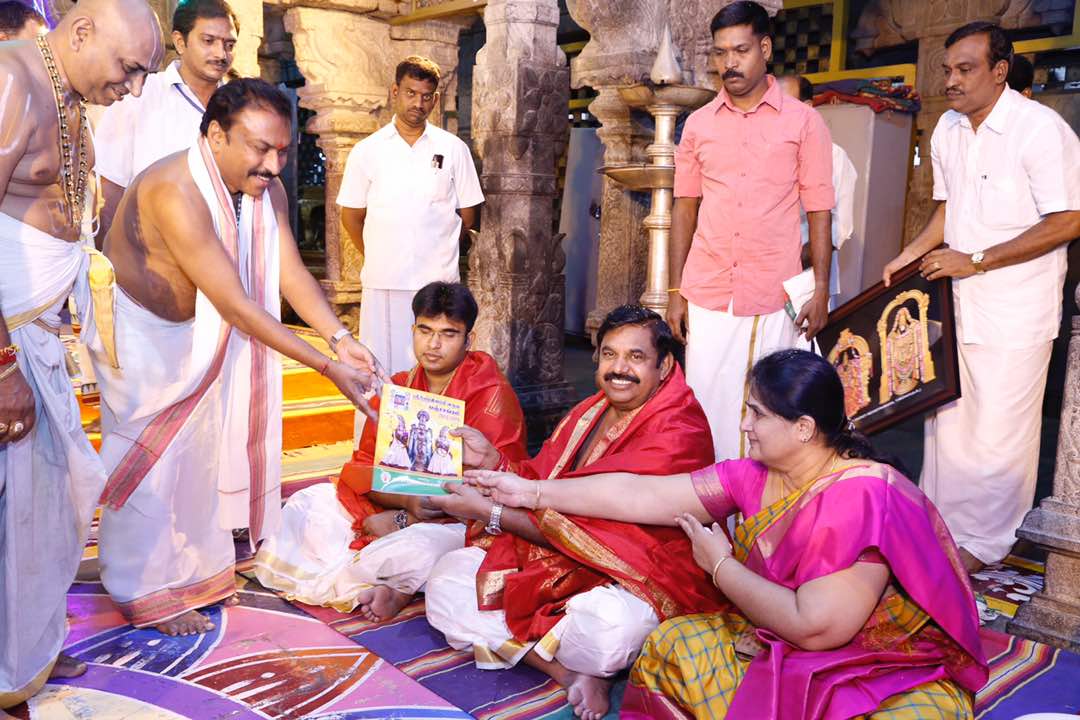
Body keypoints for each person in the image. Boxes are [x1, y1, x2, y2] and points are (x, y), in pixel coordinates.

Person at [470, 349, 990, 719]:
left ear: (803, 428)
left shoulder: (864, 495)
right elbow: (640, 494)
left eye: (757, 415)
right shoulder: (755, 475)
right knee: (671, 644)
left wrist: (720, 566)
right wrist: (532, 492)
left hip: (881, 662)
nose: (744, 426)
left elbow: (816, 630)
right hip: (777, 635)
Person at [87, 79, 383, 638]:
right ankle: (139, 586)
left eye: (283, 151)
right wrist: (327, 368)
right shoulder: (174, 188)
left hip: (201, 329)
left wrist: (339, 337)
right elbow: (237, 305)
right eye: (261, 148)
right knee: (152, 462)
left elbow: (289, 270)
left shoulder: (264, 189)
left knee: (199, 456)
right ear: (217, 136)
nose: (273, 165)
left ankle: (194, 570)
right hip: (142, 334)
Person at [423, 305, 724, 720]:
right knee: (446, 582)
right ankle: (565, 671)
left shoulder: (680, 428)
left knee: (611, 630)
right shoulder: (589, 411)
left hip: (635, 577)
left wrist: (492, 513)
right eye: (609, 354)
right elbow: (541, 481)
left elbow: (607, 528)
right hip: (556, 560)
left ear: (666, 365)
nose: (619, 369)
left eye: (636, 357)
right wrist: (494, 461)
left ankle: (564, 655)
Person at [0, 0, 163, 707]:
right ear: (83, 31)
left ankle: (25, 649)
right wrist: (2, 367)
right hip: (9, 341)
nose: (132, 87)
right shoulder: (12, 78)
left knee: (50, 502)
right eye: (129, 68)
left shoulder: (68, 95)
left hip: (39, 334)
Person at [883, 22, 1080, 572]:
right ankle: (941, 531)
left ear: (999, 71)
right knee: (947, 425)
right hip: (958, 304)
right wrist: (909, 254)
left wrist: (974, 260)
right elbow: (948, 209)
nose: (951, 80)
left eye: (965, 69)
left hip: (1016, 309)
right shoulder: (948, 128)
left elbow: (1069, 218)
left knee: (998, 435)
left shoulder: (1039, 129)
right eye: (947, 69)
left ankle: (987, 545)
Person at [253, 281, 527, 620]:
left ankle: (390, 584)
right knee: (307, 504)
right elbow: (364, 465)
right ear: (413, 331)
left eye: (448, 334)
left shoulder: (491, 393)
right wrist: (404, 503)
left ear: (468, 340)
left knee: (418, 548)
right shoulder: (399, 386)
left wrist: (408, 518)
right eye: (425, 331)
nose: (434, 344)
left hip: (456, 521)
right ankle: (389, 582)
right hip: (397, 503)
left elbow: (499, 489)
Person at [667, 2, 835, 462]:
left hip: (770, 293)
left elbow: (820, 210)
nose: (729, 63)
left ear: (765, 49)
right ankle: (710, 499)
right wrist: (676, 290)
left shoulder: (803, 122)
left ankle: (755, 503)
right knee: (704, 407)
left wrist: (821, 289)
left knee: (765, 414)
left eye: (740, 50)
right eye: (721, 52)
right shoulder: (698, 124)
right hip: (707, 290)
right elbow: (685, 207)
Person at [338, 55, 484, 377]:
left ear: (435, 98)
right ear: (395, 92)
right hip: (383, 281)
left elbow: (469, 215)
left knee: (436, 367)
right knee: (380, 369)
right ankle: (379, 414)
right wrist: (376, 254)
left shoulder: (453, 149)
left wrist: (440, 249)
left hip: (438, 283)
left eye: (427, 96)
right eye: (411, 93)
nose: (418, 103)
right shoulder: (367, 151)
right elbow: (351, 216)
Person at [95, 0, 238, 242]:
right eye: (208, 41)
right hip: (148, 252)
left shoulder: (240, 105)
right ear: (180, 42)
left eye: (229, 45)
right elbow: (109, 190)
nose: (220, 54)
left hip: (226, 251)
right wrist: (108, 257)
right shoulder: (139, 96)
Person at [777, 73, 858, 309]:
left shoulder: (834, 156)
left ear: (808, 108)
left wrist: (785, 263)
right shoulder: (762, 154)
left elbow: (838, 231)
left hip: (807, 283)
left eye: (785, 105)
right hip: (757, 279)